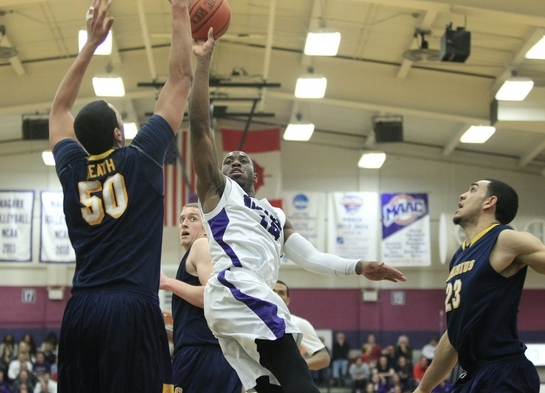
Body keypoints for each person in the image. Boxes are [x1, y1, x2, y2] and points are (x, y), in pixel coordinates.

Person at [188, 27, 406, 393]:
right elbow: (199, 128)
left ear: (257, 173)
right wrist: (204, 63)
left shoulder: (275, 216)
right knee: (299, 378)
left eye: (242, 158)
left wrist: (359, 267)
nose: (235, 160)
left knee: (269, 388)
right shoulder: (217, 193)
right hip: (235, 287)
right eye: (228, 160)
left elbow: (313, 258)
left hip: (247, 297)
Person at [48, 0, 193, 391]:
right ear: (118, 134)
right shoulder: (142, 157)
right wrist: (180, 10)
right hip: (130, 306)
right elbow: (180, 80)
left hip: (81, 309)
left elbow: (58, 108)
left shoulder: (70, 168)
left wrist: (91, 44)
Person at [413, 179, 543, 393]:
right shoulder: (459, 256)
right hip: (473, 374)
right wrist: (423, 389)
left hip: (505, 371)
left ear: (490, 202)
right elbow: (455, 334)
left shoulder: (505, 239)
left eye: (473, 189)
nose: (462, 195)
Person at [159, 203, 242, 393]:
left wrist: (167, 282)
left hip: (201, 356)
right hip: (214, 354)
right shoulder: (204, 252)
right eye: (181, 219)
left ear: (207, 227)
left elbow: (211, 297)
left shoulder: (202, 244)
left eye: (192, 218)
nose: (184, 224)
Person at [272, 280, 331, 372]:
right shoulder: (252, 320)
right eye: (272, 291)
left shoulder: (298, 323)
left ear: (288, 301)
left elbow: (324, 358)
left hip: (284, 383)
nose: (276, 295)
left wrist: (296, 366)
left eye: (281, 293)